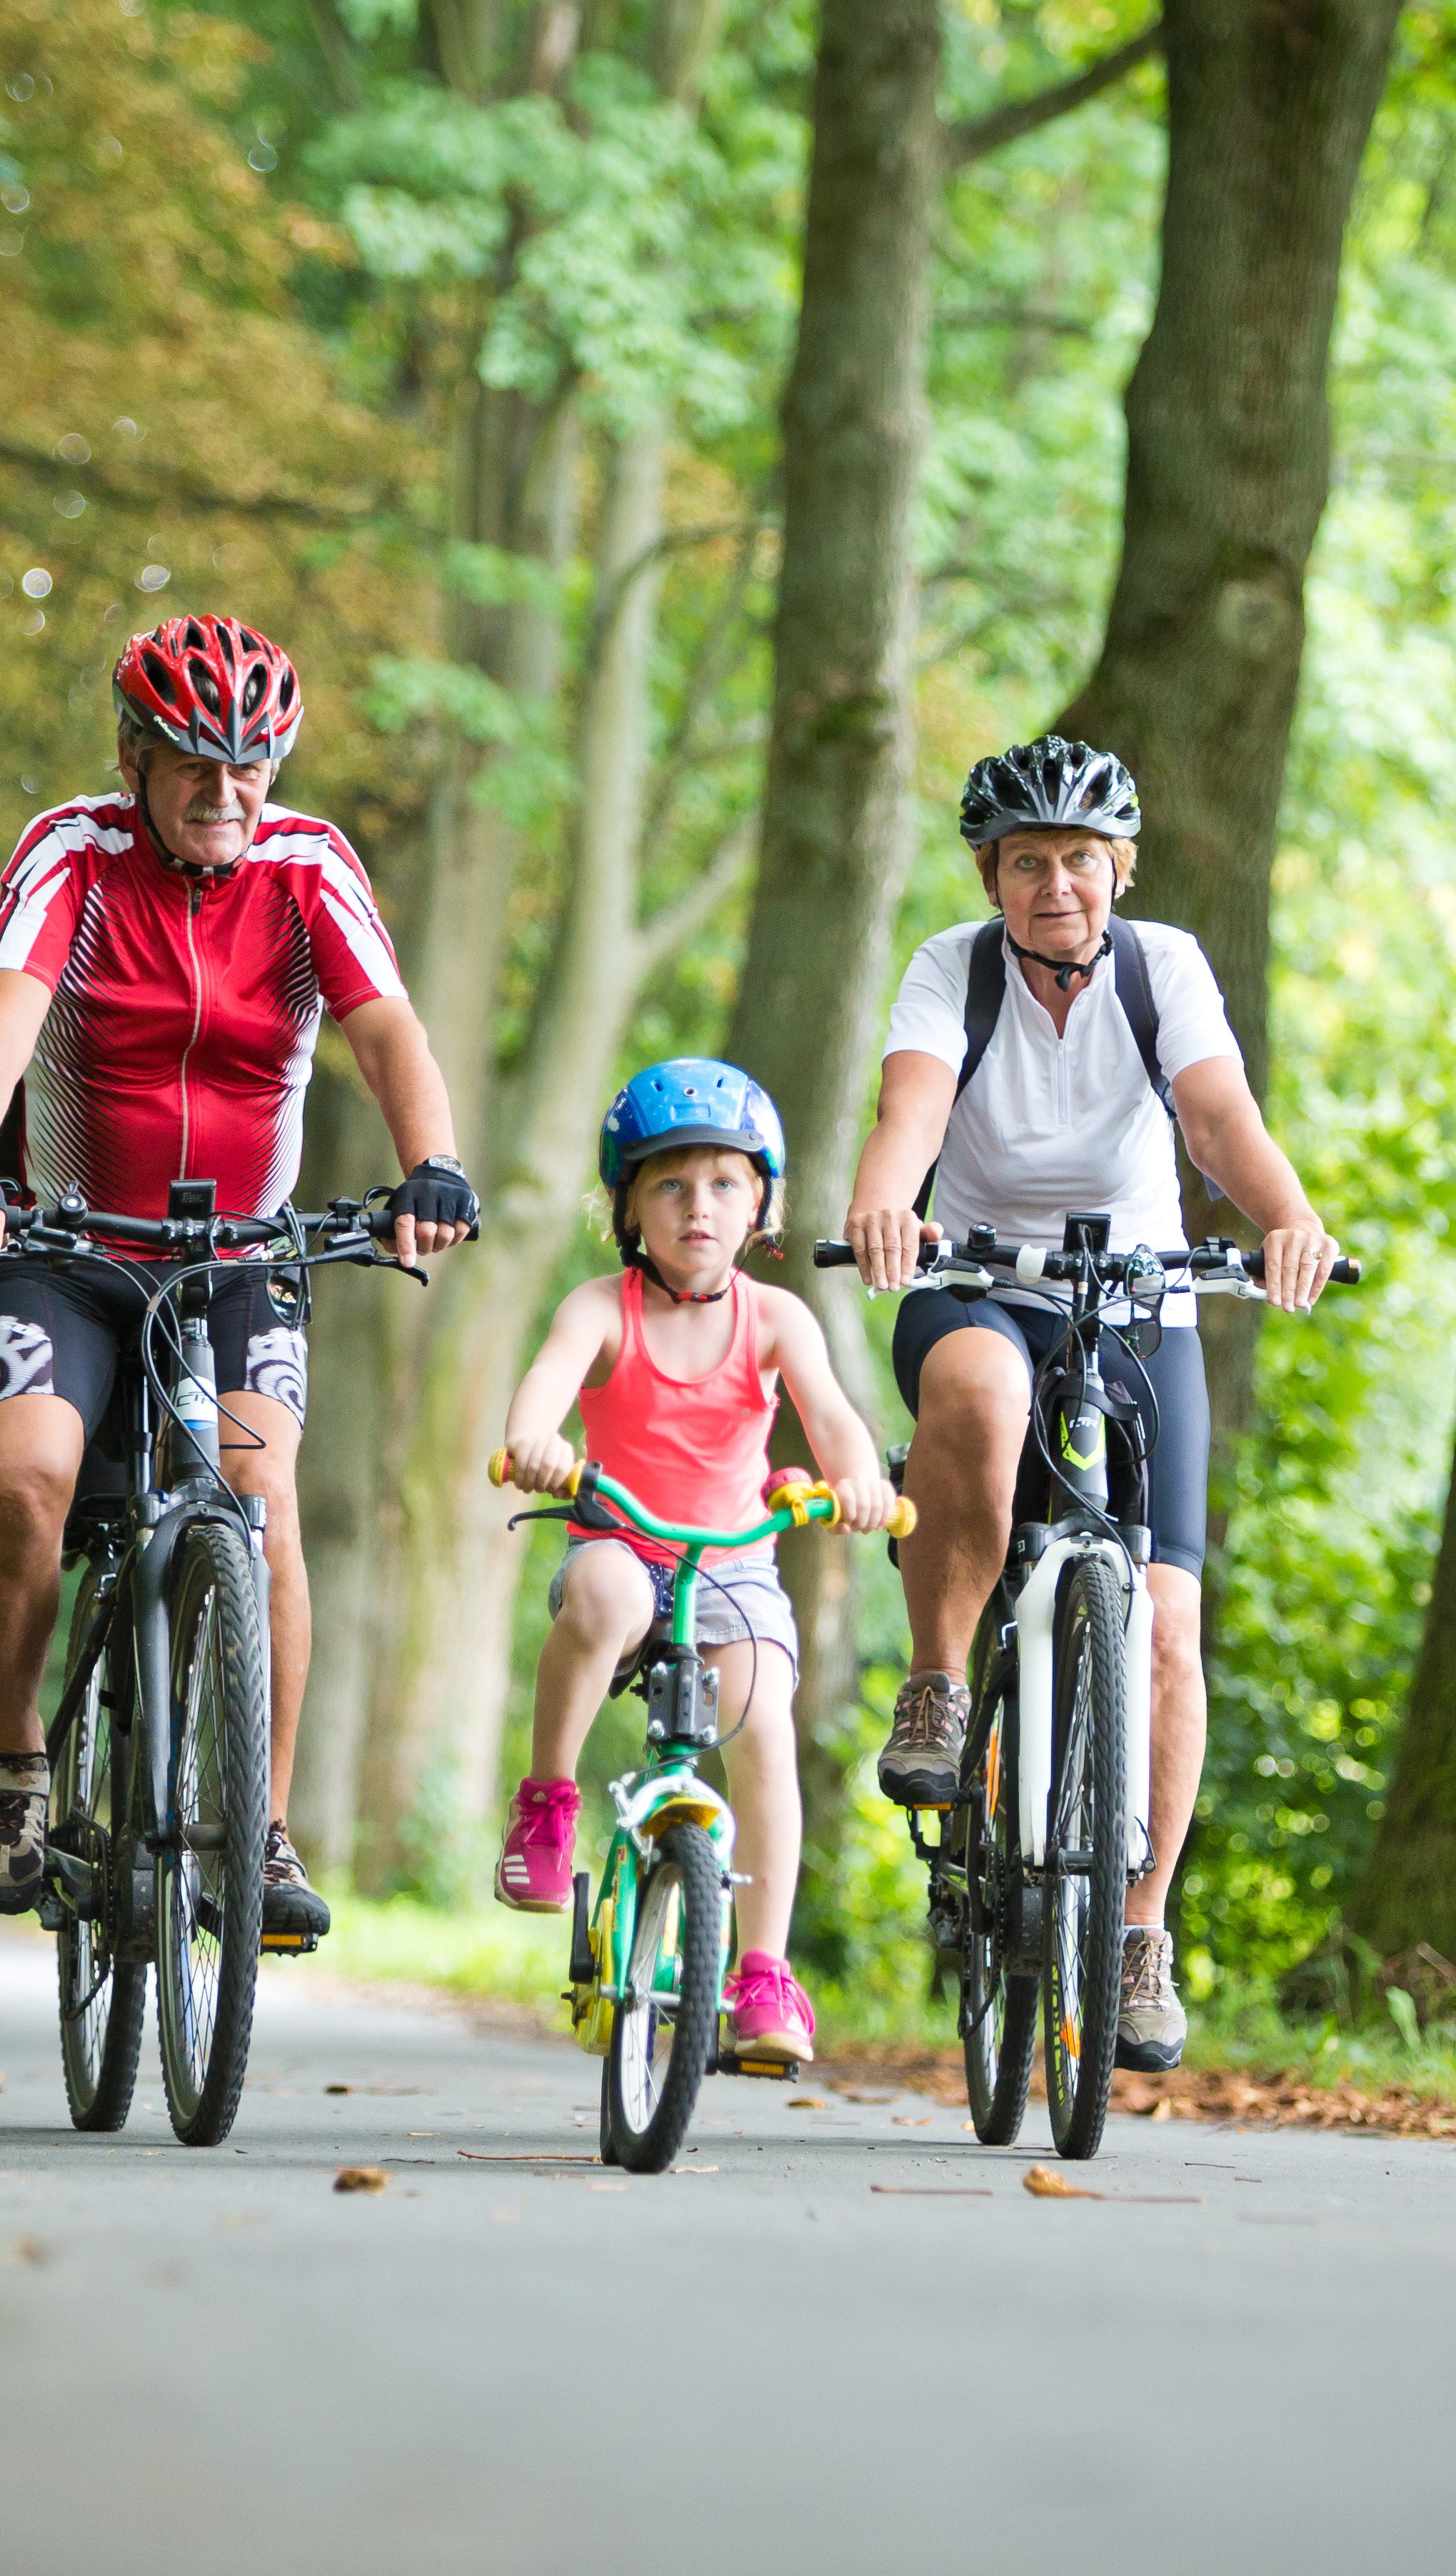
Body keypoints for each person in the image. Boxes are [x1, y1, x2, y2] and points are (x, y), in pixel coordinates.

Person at [0, 615, 478, 1943]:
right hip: (69, 1248)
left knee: (260, 1497)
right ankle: (11, 1762)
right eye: (193, 765)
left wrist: (433, 1164)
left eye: (250, 767)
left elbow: (387, 1028)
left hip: (239, 1260)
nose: (225, 794)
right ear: (134, 756)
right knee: (24, 1478)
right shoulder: (75, 852)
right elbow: (3, 1009)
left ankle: (261, 1828)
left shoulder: (308, 865)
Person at [840, 735, 1345, 2073]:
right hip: (974, 1275)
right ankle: (941, 1687)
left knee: (1169, 1623)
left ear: (1117, 866)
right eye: (1025, 863)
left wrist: (1286, 1215)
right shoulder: (952, 967)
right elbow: (912, 1105)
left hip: (1134, 1296)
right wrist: (885, 1197)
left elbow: (1216, 1116)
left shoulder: (1159, 964)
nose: (1053, 885)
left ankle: (1135, 1931)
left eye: (1077, 859)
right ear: (990, 877)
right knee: (983, 1390)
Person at [490, 1062, 897, 2069]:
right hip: (622, 1539)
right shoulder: (603, 1306)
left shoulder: (774, 1318)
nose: (697, 1207)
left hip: (734, 1565)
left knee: (761, 1729)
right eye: (669, 1184)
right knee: (604, 1595)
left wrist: (859, 1487)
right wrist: (536, 1439)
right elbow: (544, 1384)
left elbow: (835, 1421)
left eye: (723, 1183)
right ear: (627, 1203)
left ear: (762, 1200)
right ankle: (547, 1802)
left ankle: (763, 1972)